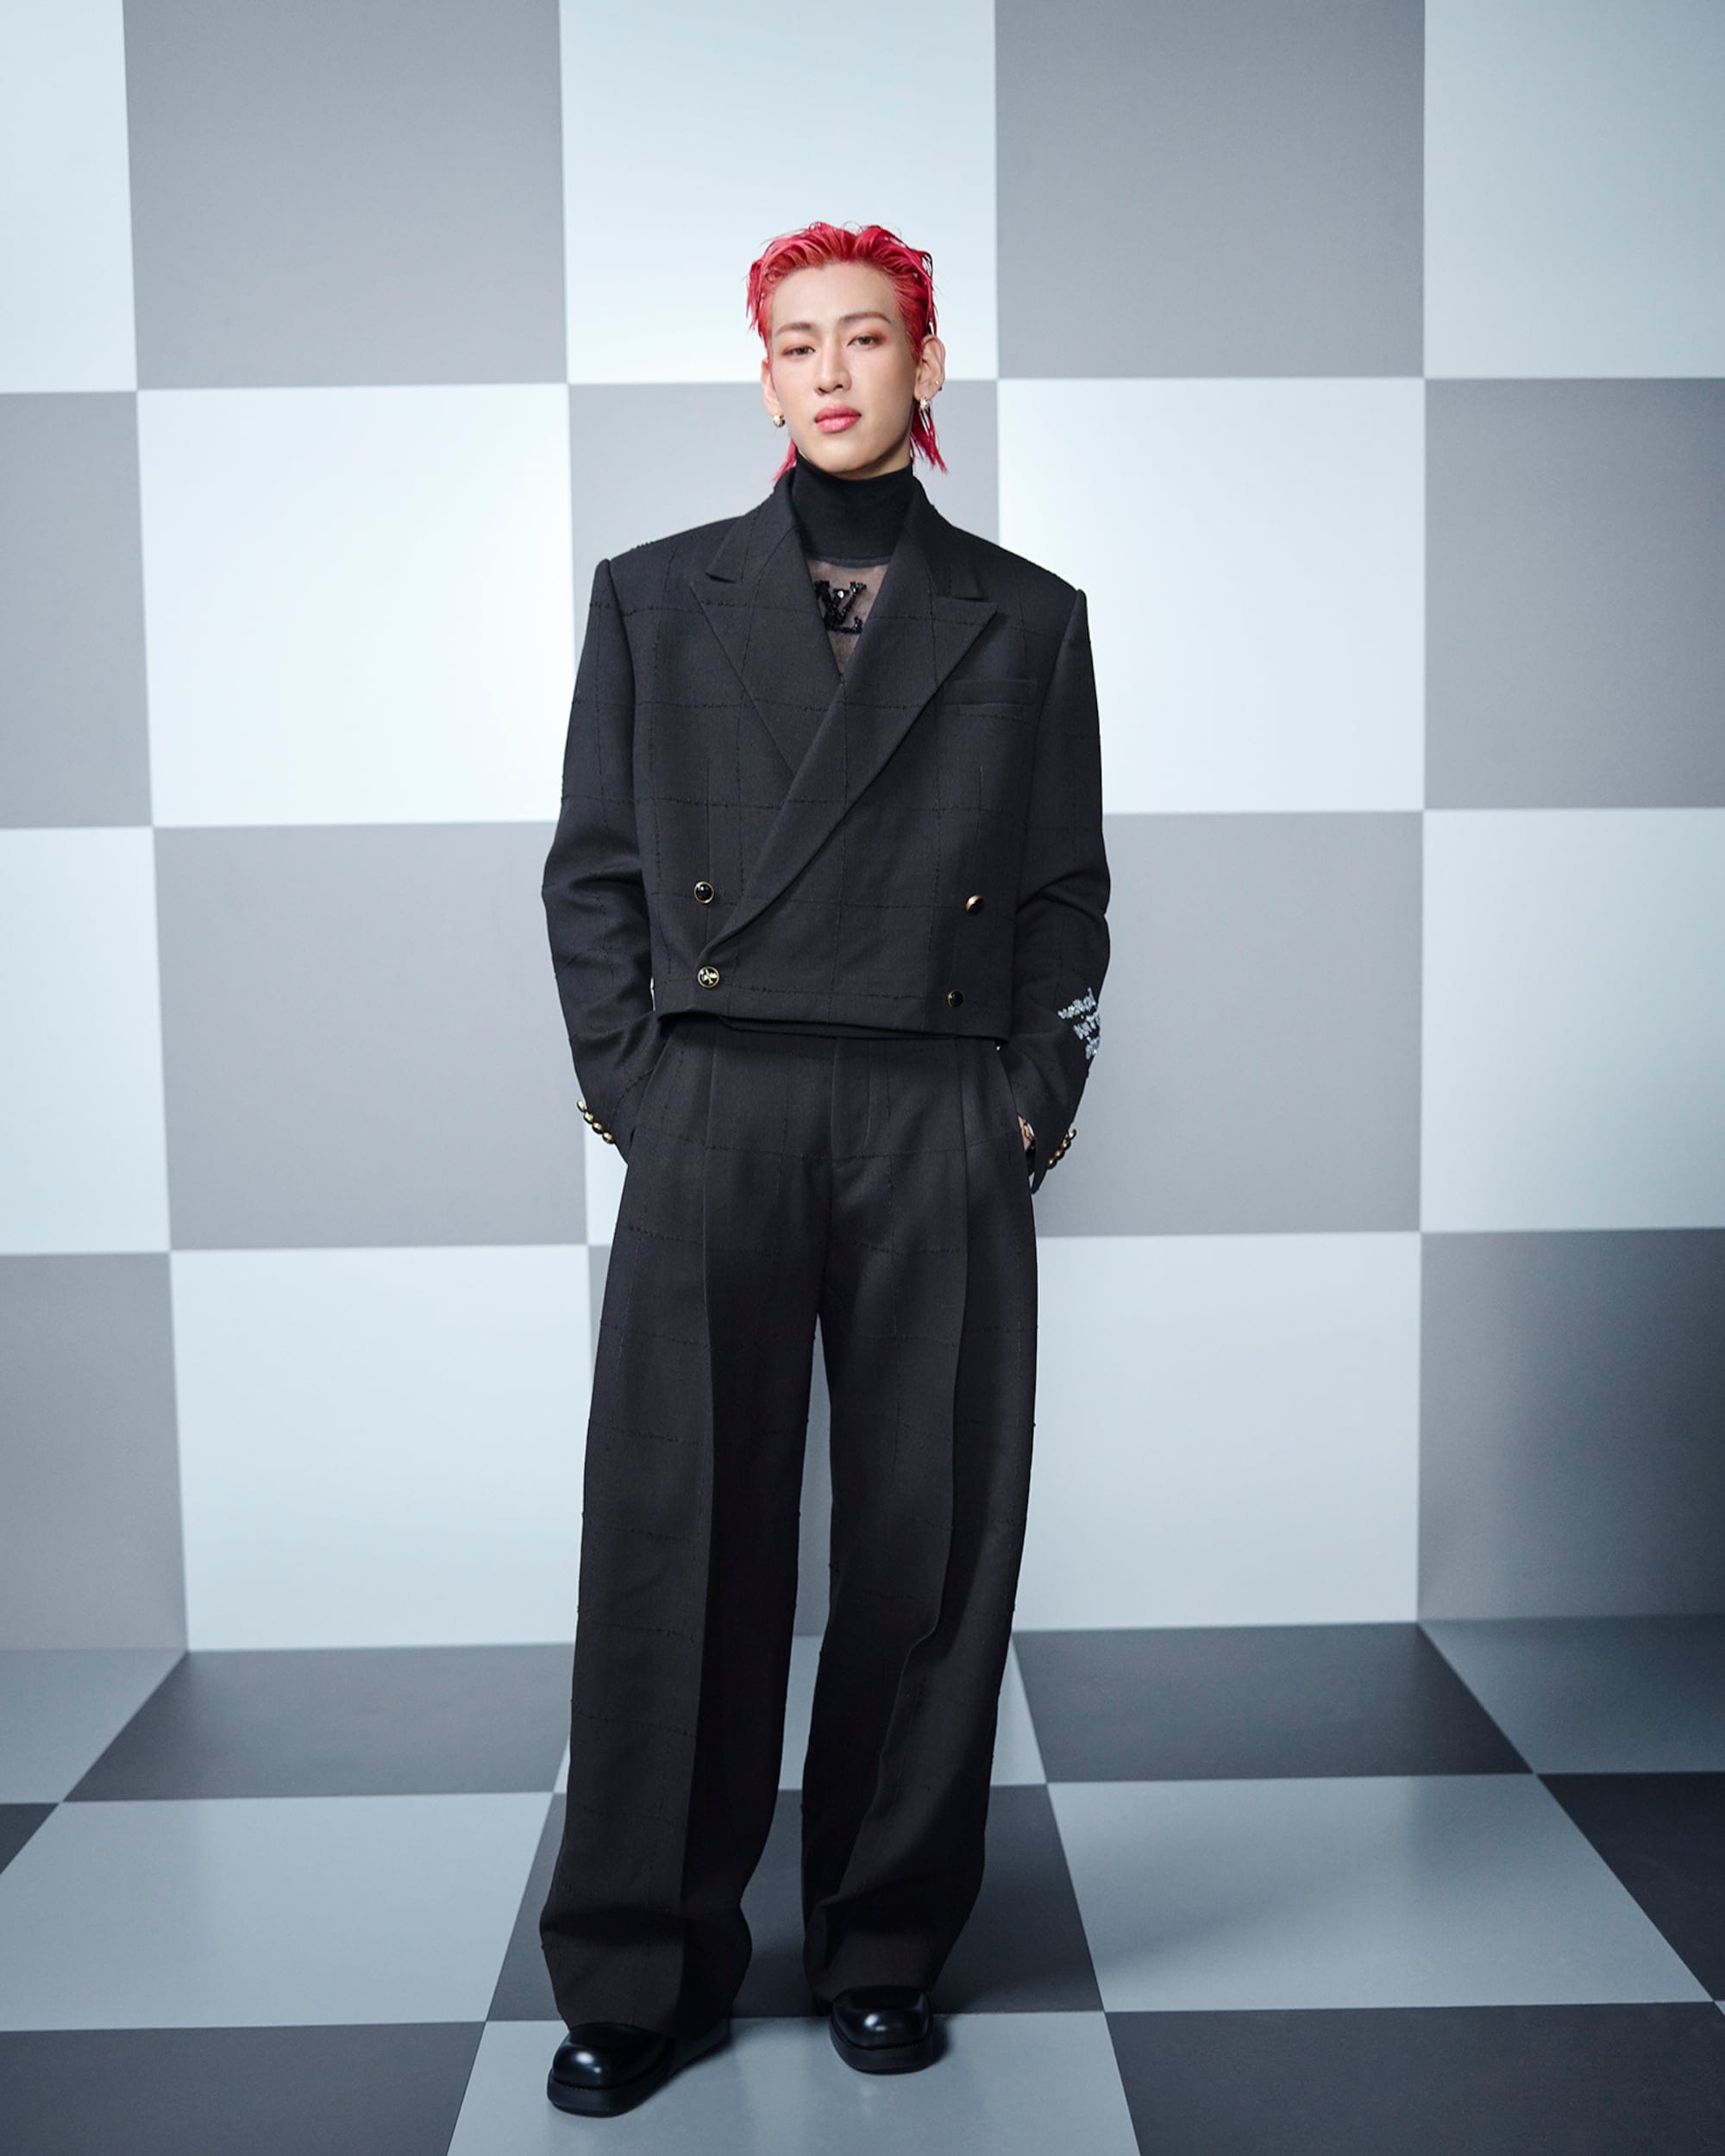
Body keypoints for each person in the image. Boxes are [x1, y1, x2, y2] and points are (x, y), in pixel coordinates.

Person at [537, 220, 1110, 2118]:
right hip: (719, 1099)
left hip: (936, 1102)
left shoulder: (1028, 616)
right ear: (767, 378)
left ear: (925, 369)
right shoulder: (653, 595)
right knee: (673, 1536)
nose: (834, 370)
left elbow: (1062, 895)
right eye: (798, 343)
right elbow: (595, 874)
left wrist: (1021, 1102)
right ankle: (641, 1962)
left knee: (924, 1545)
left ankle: (881, 1939)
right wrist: (642, 1094)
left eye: (868, 337)